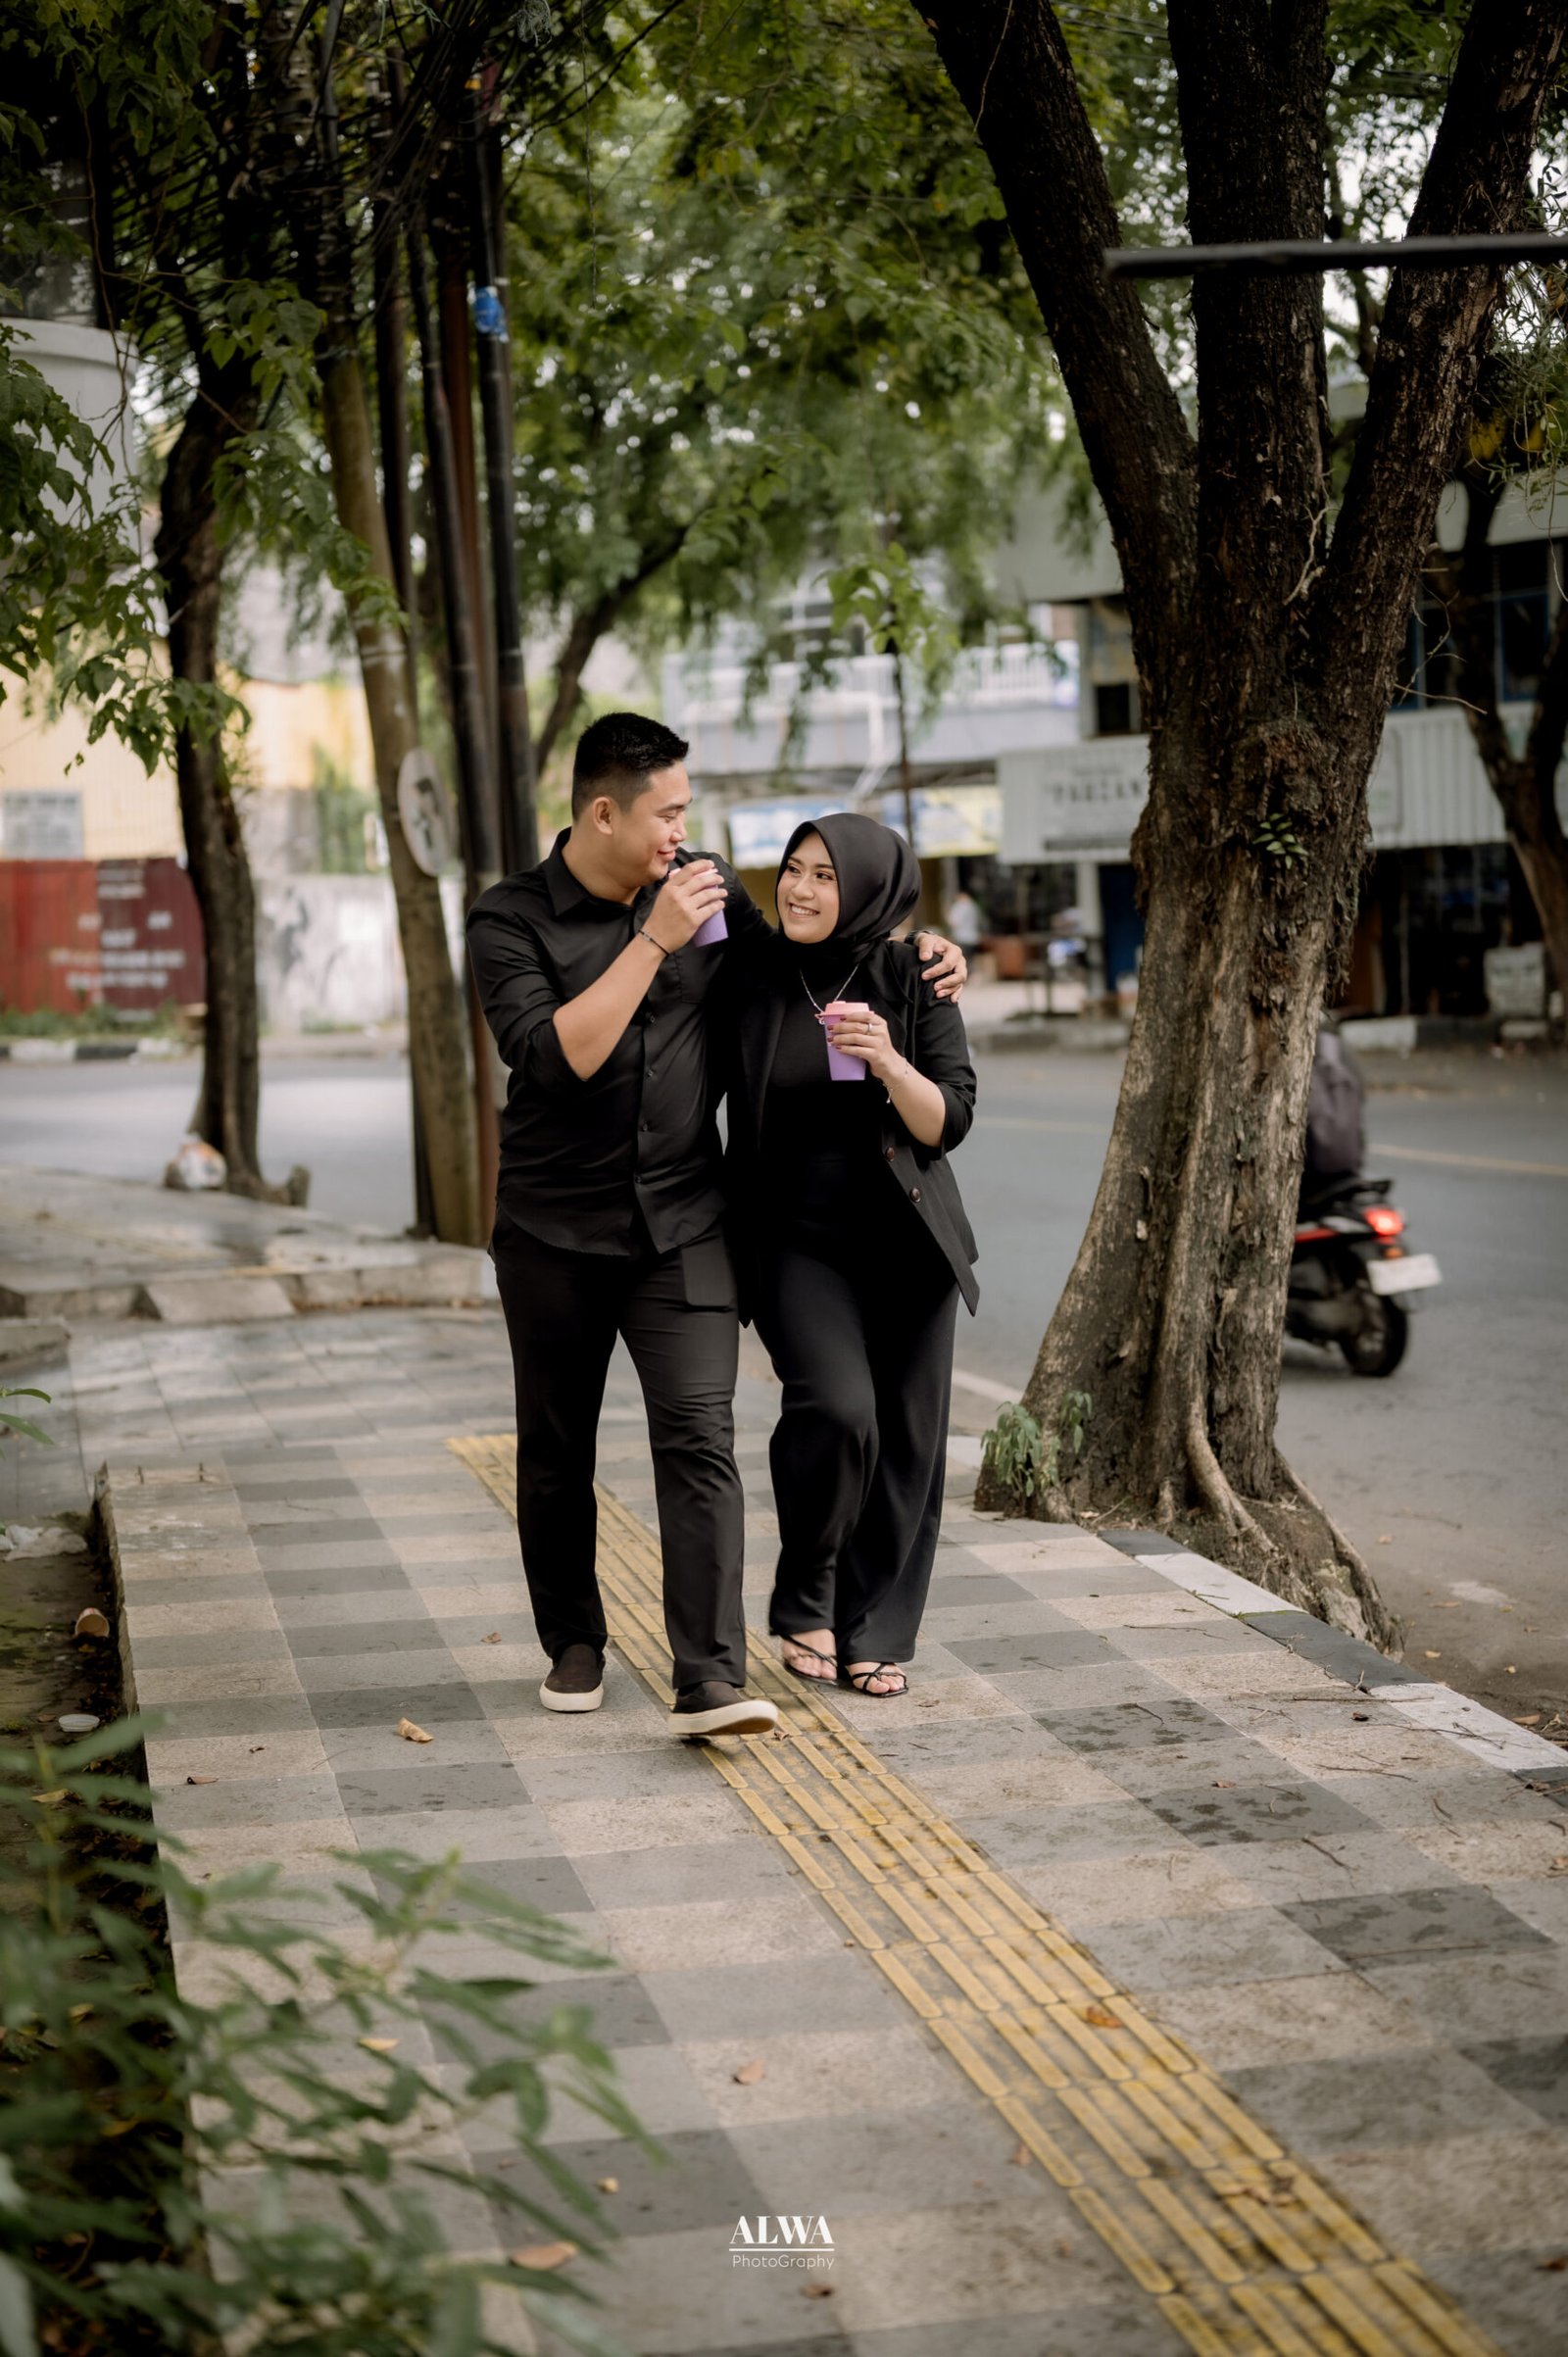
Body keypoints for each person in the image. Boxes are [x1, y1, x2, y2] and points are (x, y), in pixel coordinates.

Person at [466, 714, 967, 1739]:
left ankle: (709, 1675)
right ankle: (574, 1639)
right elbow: (558, 1058)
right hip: (554, 1228)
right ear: (603, 813)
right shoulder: (509, 919)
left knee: (700, 1434)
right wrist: (652, 939)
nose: (680, 832)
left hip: (685, 1219)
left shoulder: (706, 888)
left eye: (685, 812)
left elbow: (798, 970)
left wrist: (917, 953)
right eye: (667, 813)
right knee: (556, 1445)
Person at [723, 813, 979, 1700]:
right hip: (797, 1245)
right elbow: (693, 871)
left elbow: (949, 1120)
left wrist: (890, 1063)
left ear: (868, 887)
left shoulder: (915, 974)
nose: (799, 888)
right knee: (837, 1411)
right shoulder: (754, 969)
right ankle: (806, 1597)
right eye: (794, 868)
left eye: (825, 876)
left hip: (909, 1247)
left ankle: (873, 1627)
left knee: (906, 1444)